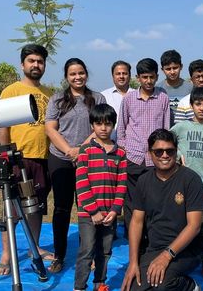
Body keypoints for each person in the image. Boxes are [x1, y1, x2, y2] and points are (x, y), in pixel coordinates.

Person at [0, 44, 54, 275]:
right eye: (31, 61)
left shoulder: (49, 94)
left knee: (36, 207)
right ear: (23, 64)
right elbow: (2, 125)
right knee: (11, 206)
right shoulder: (11, 91)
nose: (36, 65)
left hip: (42, 158)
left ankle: (34, 247)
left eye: (40, 61)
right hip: (17, 158)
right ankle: (7, 254)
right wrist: (4, 154)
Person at [121, 129, 203, 291]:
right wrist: (132, 263)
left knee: (162, 286)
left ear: (176, 151)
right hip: (154, 249)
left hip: (185, 251)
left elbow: (194, 226)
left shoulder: (191, 179)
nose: (164, 155)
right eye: (158, 151)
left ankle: (189, 286)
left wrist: (166, 256)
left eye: (170, 151)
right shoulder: (143, 181)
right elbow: (136, 222)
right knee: (133, 286)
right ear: (150, 153)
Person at [45, 58, 106, 273]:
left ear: (86, 74)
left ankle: (88, 255)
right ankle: (59, 255)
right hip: (60, 159)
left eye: (81, 73)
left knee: (87, 208)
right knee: (61, 208)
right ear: (66, 77)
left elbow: (101, 126)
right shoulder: (57, 99)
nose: (77, 77)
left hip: (88, 158)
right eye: (73, 74)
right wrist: (69, 151)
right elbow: (51, 129)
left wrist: (81, 150)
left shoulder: (97, 98)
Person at [170, 86, 203, 283]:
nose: (201, 108)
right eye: (198, 104)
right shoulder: (181, 127)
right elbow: (165, 143)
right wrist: (175, 159)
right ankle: (180, 260)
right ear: (191, 105)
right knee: (181, 224)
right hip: (183, 185)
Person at [74, 104, 127, 291]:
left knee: (105, 251)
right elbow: (81, 182)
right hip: (88, 214)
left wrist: (115, 210)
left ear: (113, 125)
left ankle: (100, 283)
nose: (103, 128)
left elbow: (122, 184)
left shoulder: (120, 153)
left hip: (109, 215)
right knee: (86, 251)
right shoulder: (85, 151)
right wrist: (93, 211)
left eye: (108, 124)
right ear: (92, 126)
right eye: (99, 124)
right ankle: (79, 287)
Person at [117, 58, 170, 237]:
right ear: (138, 78)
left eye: (152, 77)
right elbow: (122, 127)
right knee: (132, 200)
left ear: (157, 76)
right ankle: (133, 237)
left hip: (154, 159)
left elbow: (166, 128)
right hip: (133, 157)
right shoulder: (129, 99)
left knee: (155, 199)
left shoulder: (163, 97)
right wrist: (125, 149)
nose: (149, 81)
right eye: (145, 77)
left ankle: (151, 237)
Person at [101, 60, 137, 141]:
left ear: (130, 75)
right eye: (118, 74)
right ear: (113, 76)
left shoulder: (138, 95)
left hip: (133, 144)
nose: (121, 76)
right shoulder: (103, 96)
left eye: (124, 73)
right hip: (109, 144)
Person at [156, 50, 193, 126]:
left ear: (181, 66)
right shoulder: (158, 89)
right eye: (168, 69)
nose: (172, 72)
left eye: (175, 68)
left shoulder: (190, 88)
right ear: (162, 69)